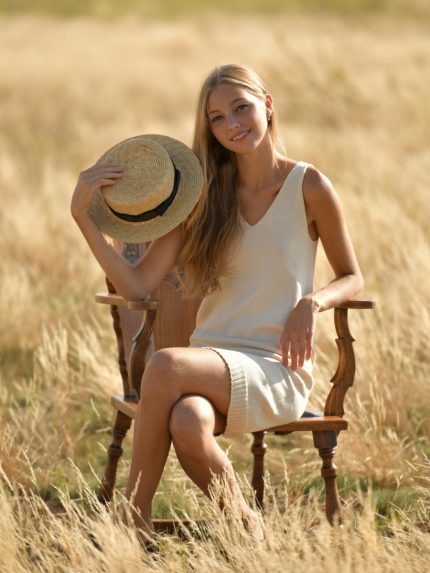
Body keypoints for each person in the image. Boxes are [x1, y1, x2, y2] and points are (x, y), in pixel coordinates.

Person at [71, 63, 363, 540]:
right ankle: (251, 535)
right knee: (187, 421)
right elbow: (140, 287)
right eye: (217, 118)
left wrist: (312, 302)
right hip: (211, 361)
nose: (232, 125)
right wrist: (84, 218)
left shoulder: (308, 186)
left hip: (276, 367)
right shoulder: (203, 196)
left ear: (267, 104)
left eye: (241, 108)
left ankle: (131, 518)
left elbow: (352, 276)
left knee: (163, 366)